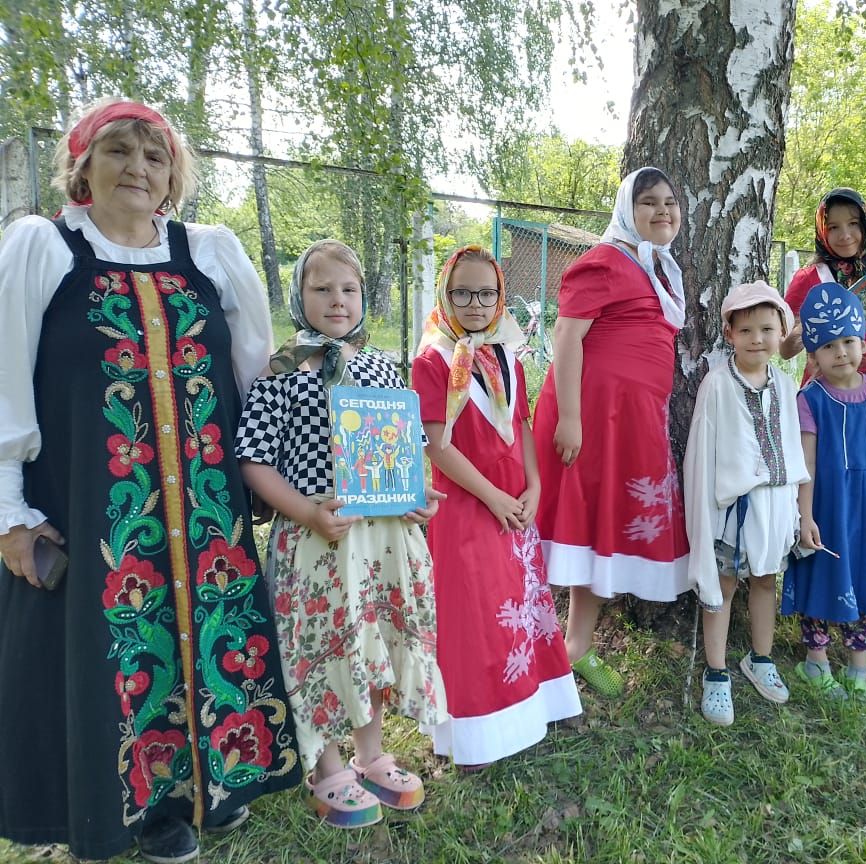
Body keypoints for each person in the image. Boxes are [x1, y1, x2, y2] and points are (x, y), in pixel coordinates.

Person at [0, 98, 299, 863]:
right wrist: (9, 512)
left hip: (206, 508)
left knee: (213, 641)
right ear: (83, 168)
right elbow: (3, 387)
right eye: (119, 151)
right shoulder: (44, 249)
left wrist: (277, 475)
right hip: (97, 507)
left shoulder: (207, 253)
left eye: (155, 155)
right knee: (120, 656)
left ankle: (220, 780)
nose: (138, 167)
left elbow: (254, 374)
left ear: (174, 175)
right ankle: (146, 810)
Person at [236, 239, 445, 826]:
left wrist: (414, 494)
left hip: (381, 539)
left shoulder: (381, 365)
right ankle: (328, 766)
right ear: (298, 297)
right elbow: (253, 459)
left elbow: (404, 446)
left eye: (348, 289)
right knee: (324, 646)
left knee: (369, 639)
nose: (337, 300)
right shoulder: (279, 370)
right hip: (318, 539)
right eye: (321, 288)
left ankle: (372, 754)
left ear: (364, 297)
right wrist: (304, 512)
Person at [412, 245, 581, 768]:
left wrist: (533, 486)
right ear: (446, 293)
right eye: (463, 292)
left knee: (519, 609)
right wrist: (494, 497)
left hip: (515, 505)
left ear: (501, 295)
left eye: (487, 293)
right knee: (475, 616)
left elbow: (523, 426)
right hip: (468, 507)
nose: (476, 303)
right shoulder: (432, 359)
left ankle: (531, 707)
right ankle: (476, 731)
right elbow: (437, 446)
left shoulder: (510, 352)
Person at [532, 167, 692, 697]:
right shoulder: (605, 261)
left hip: (633, 421)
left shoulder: (659, 269)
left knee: (604, 527)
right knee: (584, 520)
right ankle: (548, 647)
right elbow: (567, 336)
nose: (663, 211)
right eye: (649, 202)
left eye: (670, 202)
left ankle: (577, 646)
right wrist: (572, 418)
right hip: (594, 418)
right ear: (628, 209)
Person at [683, 281, 808, 725]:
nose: (758, 339)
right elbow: (702, 454)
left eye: (767, 329)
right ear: (730, 334)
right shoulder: (717, 385)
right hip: (732, 511)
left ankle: (760, 657)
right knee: (725, 584)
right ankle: (716, 671)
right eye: (748, 329)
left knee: (764, 582)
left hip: (774, 509)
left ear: (781, 333)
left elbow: (792, 448)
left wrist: (795, 509)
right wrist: (706, 511)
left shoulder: (786, 385)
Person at [782, 282, 866, 698]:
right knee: (823, 571)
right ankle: (815, 661)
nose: (841, 352)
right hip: (828, 507)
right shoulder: (810, 399)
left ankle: (858, 661)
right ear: (813, 355)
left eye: (849, 341)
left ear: (863, 345)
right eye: (829, 345)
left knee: (863, 573)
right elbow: (807, 462)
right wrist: (806, 516)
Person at [780, 188, 866, 389]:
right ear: (822, 230)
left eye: (853, 224)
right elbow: (785, 350)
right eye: (833, 227)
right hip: (822, 398)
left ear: (865, 223)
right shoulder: (809, 278)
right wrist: (815, 320)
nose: (845, 235)